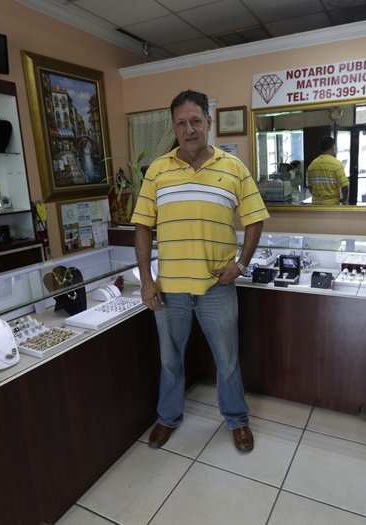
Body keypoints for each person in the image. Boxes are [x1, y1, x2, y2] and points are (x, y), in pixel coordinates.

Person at [131, 90, 269, 453]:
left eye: (196, 121)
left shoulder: (233, 169)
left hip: (216, 289)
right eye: (181, 123)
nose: (189, 129)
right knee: (169, 358)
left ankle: (236, 419)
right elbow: (142, 226)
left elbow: (255, 220)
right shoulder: (157, 171)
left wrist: (241, 264)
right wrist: (146, 280)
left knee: (227, 360)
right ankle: (168, 417)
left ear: (208, 122)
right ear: (174, 127)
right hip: (170, 289)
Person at [306, 136, 349, 205]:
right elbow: (345, 186)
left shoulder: (312, 165)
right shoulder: (337, 164)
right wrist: (344, 200)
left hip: (316, 206)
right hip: (332, 206)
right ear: (333, 147)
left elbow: (310, 186)